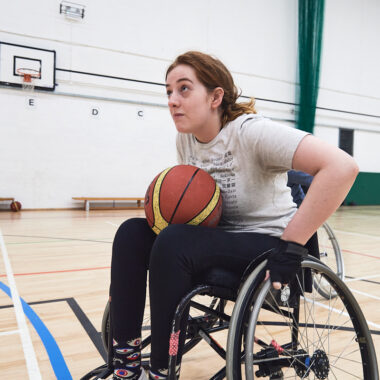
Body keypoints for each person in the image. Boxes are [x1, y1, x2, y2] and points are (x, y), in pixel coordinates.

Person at [110, 51, 358, 380]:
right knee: (131, 233)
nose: (172, 100)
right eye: (168, 91)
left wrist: (294, 245)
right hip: (217, 242)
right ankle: (125, 364)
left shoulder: (251, 133)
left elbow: (343, 167)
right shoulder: (186, 139)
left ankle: (160, 369)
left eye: (184, 89)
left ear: (216, 97)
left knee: (173, 242)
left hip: (270, 246)